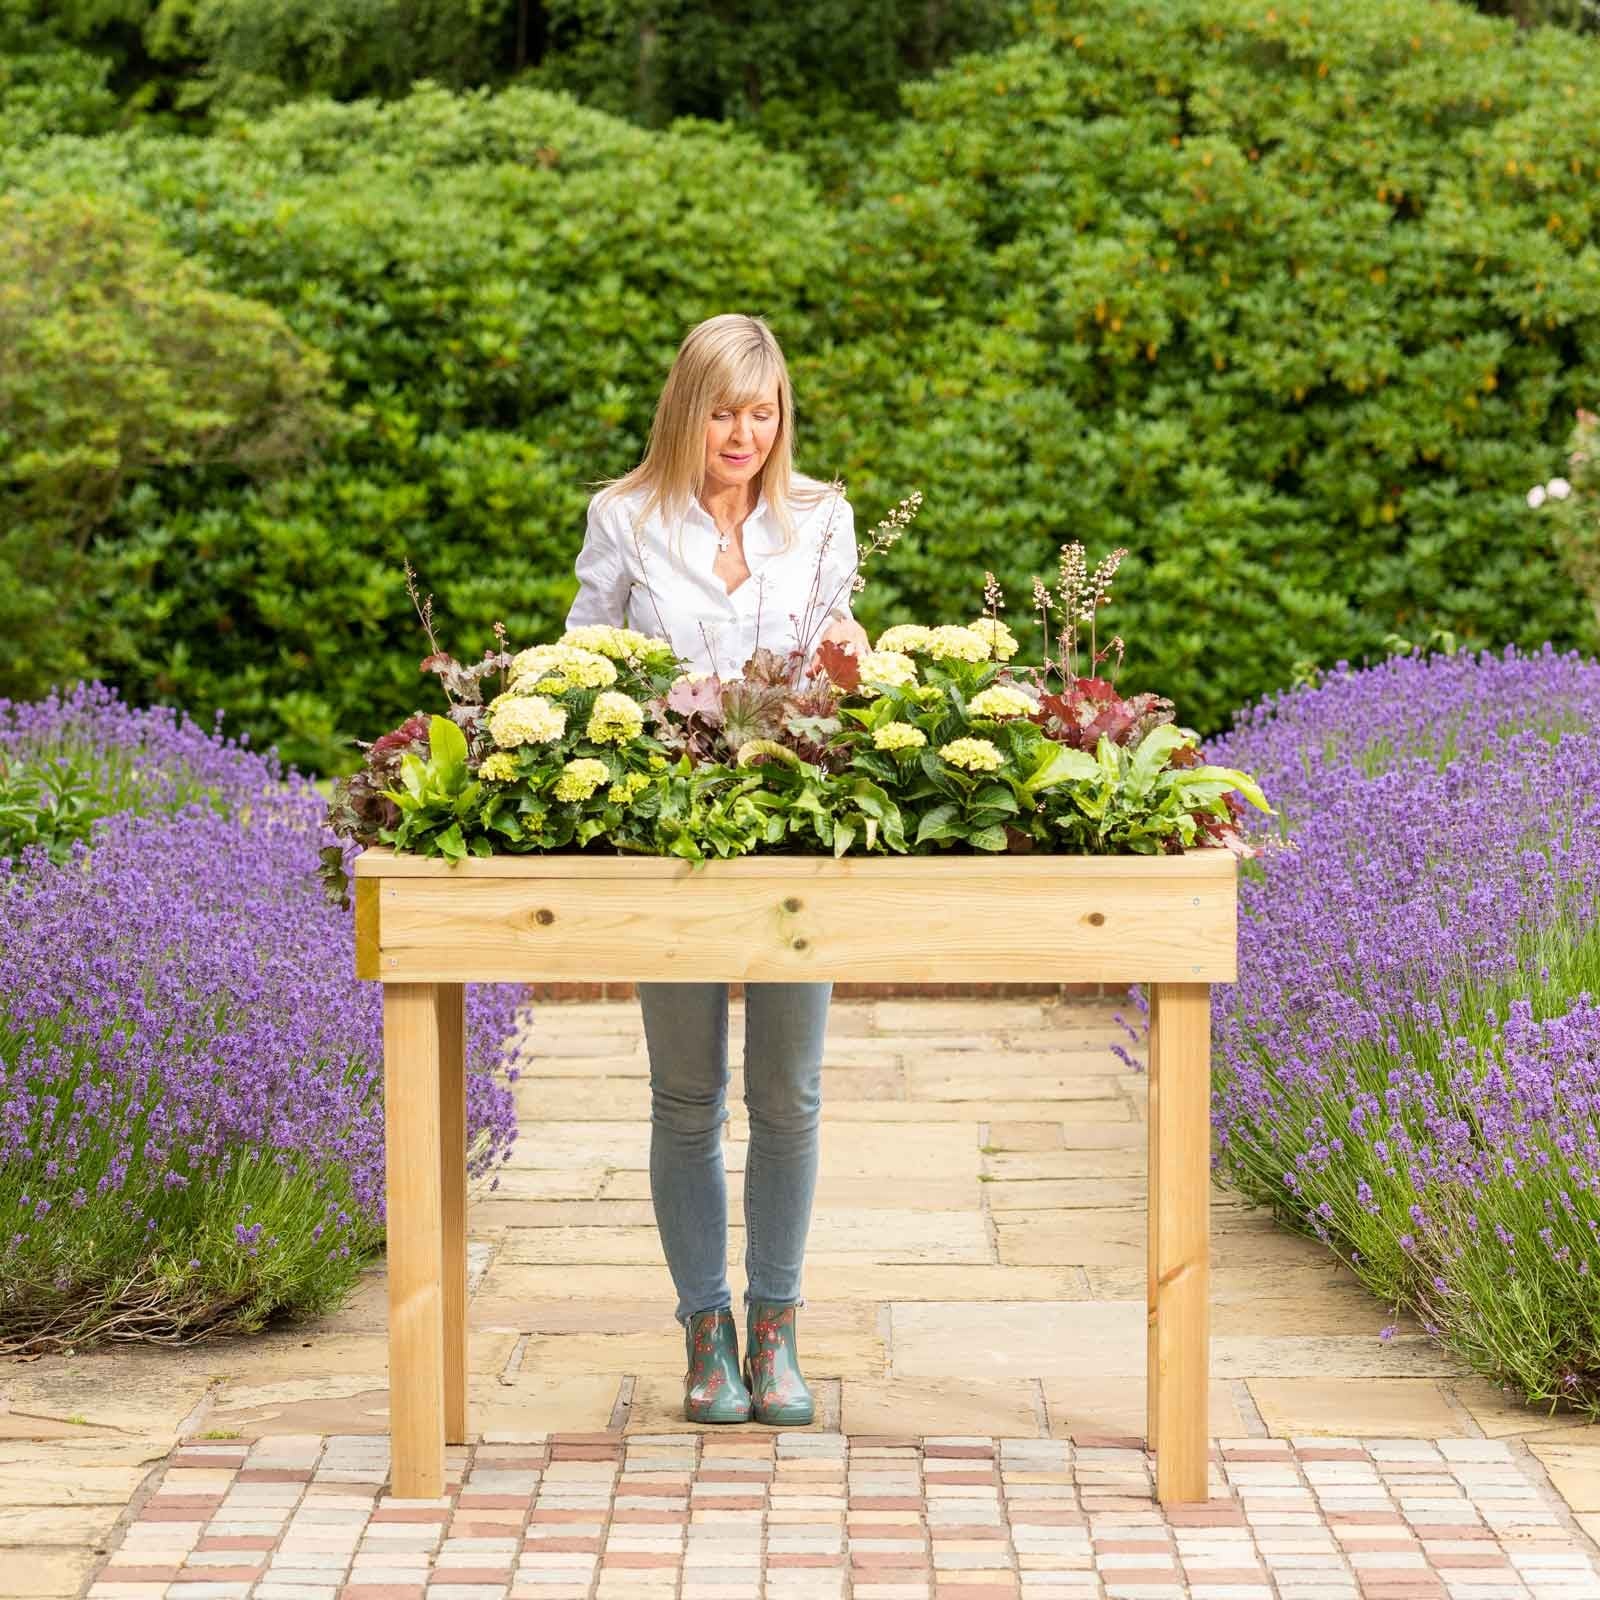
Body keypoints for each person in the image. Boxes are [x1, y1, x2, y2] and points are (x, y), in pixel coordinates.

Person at [564, 312, 871, 1425]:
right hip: (670, 843)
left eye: (762, 411)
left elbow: (846, 662)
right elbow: (579, 661)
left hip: (792, 836)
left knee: (788, 1093)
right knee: (687, 1095)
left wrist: (863, 672)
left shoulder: (823, 519)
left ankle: (778, 1325)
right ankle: (707, 1332)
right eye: (722, 410)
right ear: (684, 409)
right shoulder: (625, 518)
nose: (743, 433)